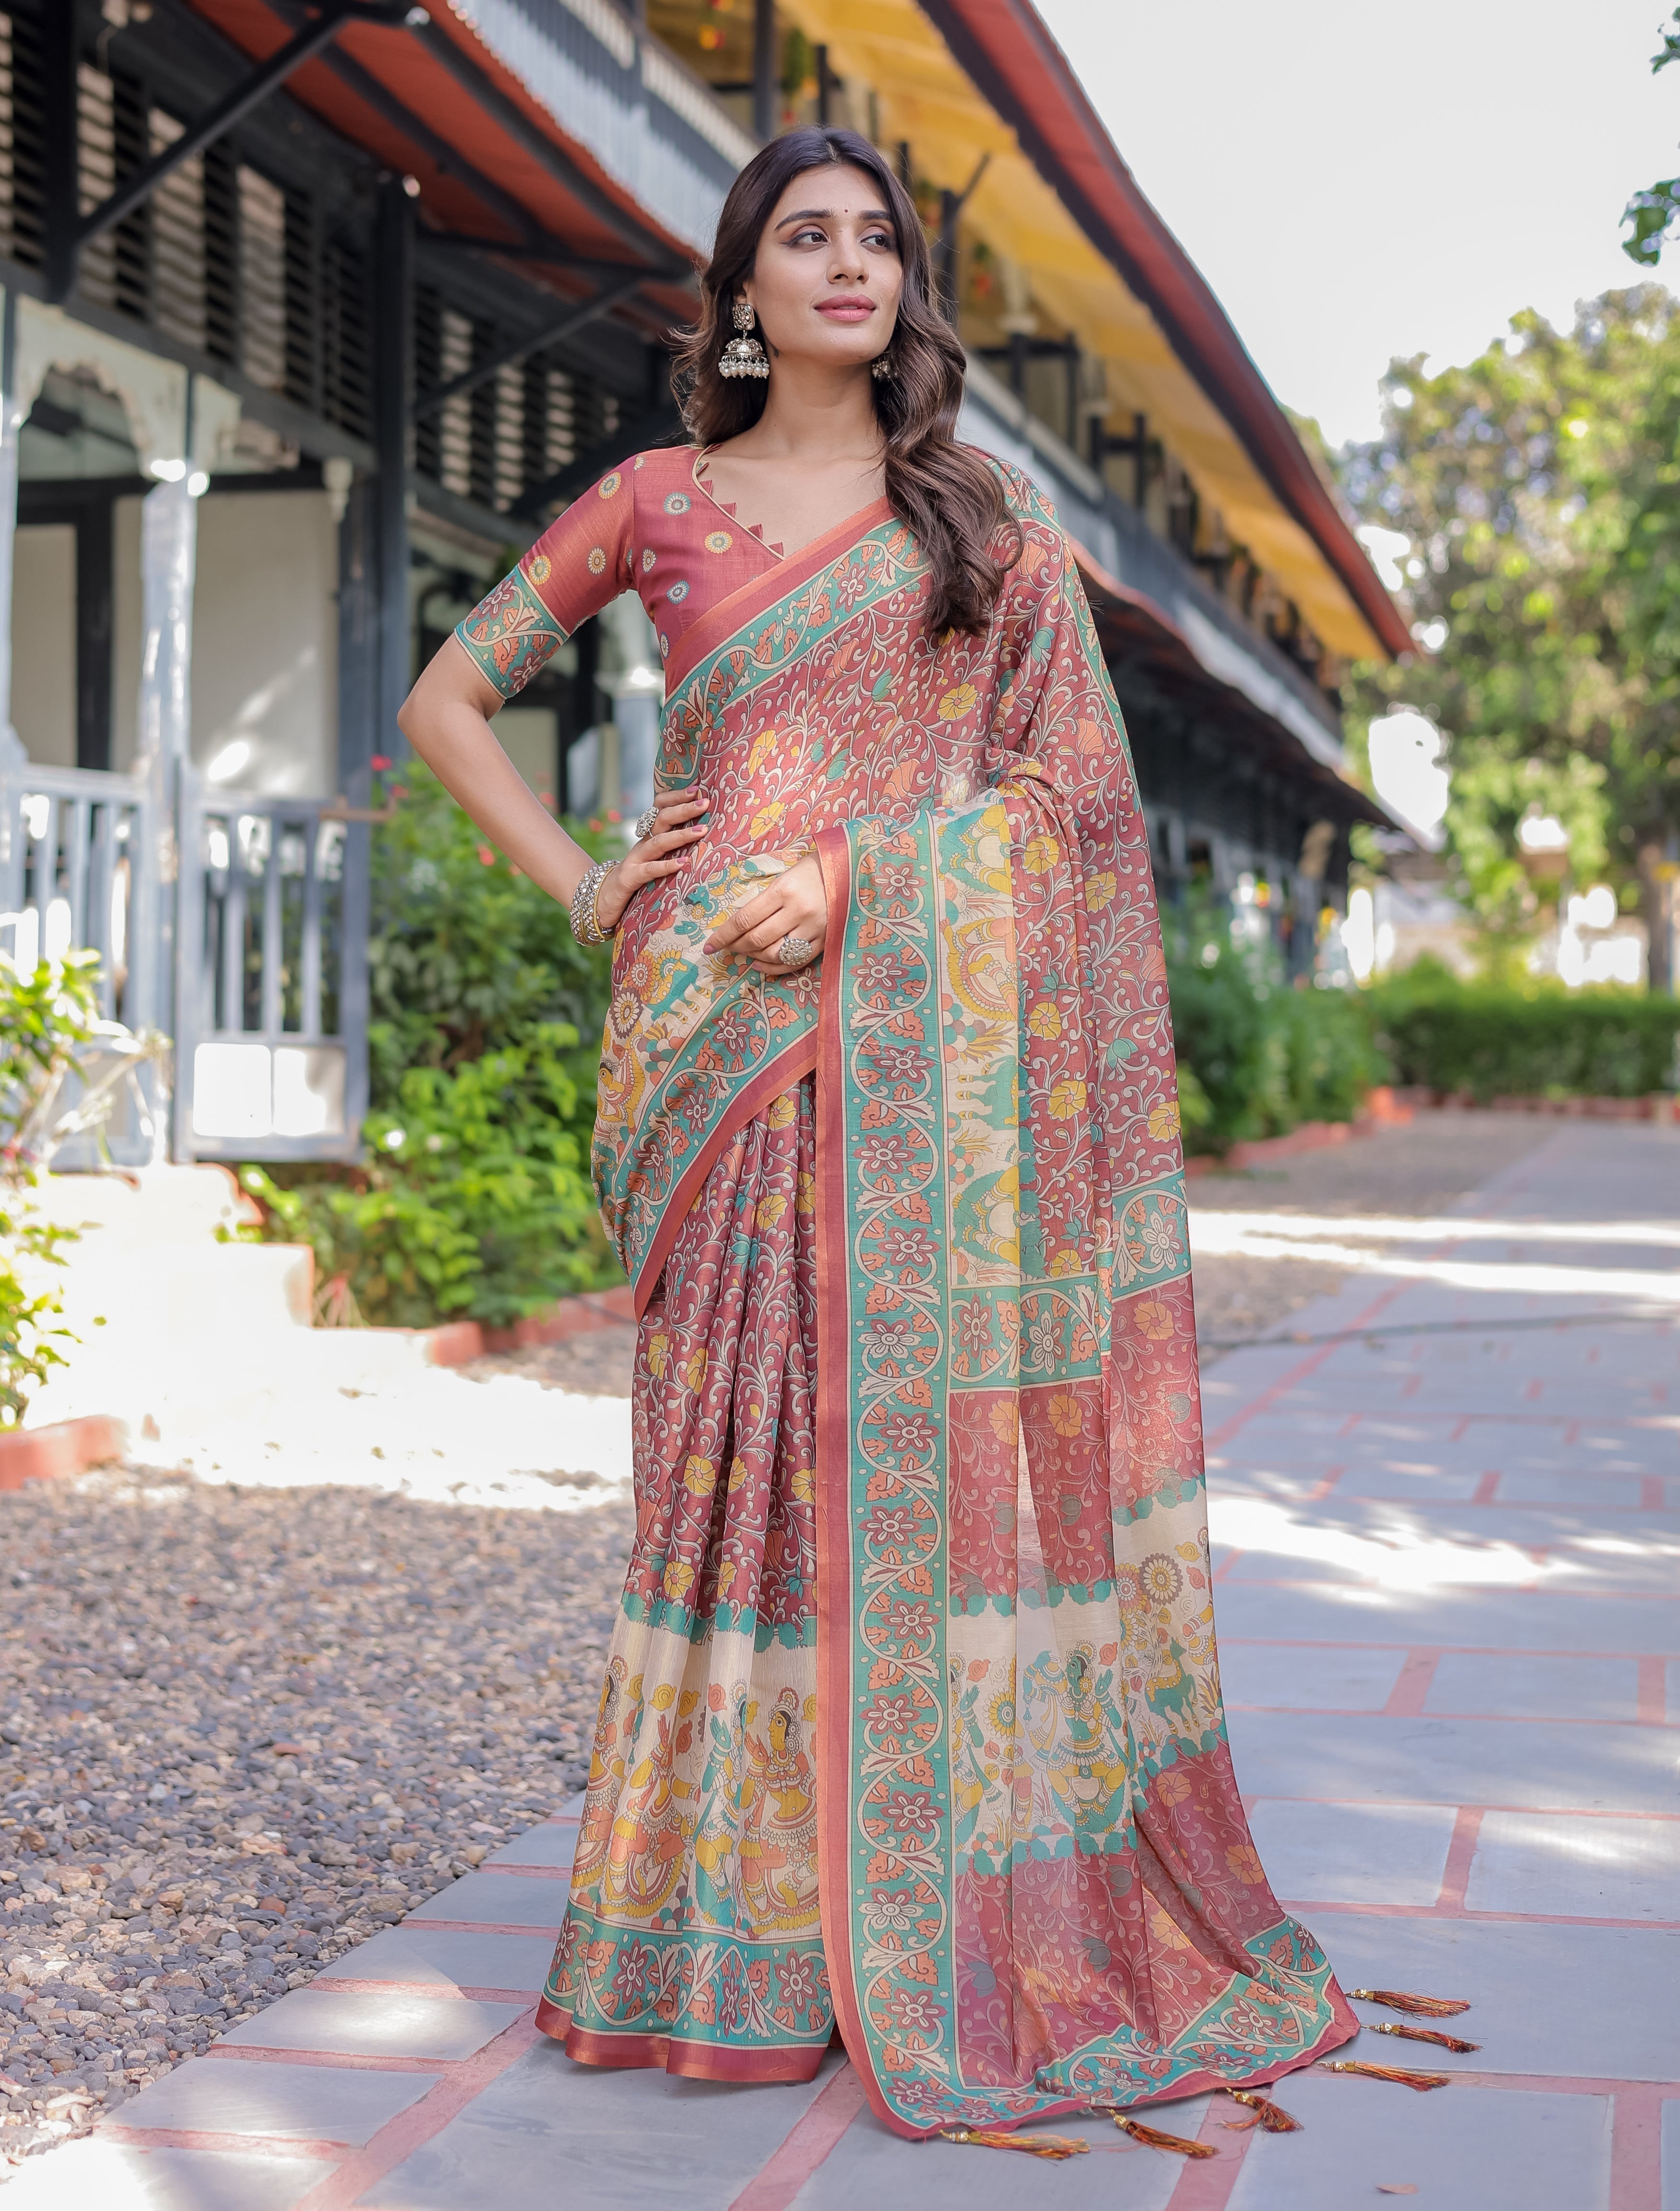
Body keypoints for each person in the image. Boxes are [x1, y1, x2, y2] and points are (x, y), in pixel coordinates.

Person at [399, 124, 1363, 2152]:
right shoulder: (655, 502)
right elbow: (446, 700)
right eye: (804, 237)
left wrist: (858, 880)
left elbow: (1074, 812)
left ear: (903, 292)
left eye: (877, 241)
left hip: (917, 1059)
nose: (847, 265)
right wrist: (598, 891)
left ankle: (913, 1907)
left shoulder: (974, 518)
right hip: (710, 1050)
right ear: (740, 290)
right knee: (725, 1487)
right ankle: (714, 1930)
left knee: (905, 1468)